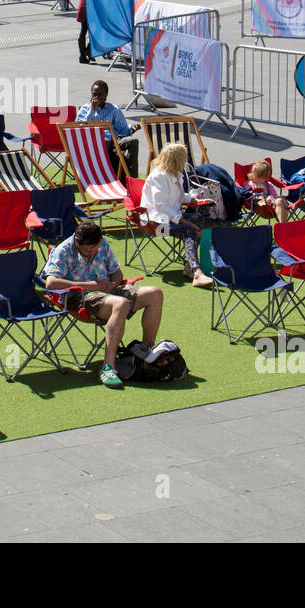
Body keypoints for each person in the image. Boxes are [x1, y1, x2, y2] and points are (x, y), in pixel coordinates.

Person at [42, 222, 165, 388]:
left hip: (108, 292)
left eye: (95, 248)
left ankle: (146, 351)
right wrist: (91, 285)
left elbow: (116, 272)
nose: (92, 253)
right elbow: (51, 283)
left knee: (155, 293)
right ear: (77, 241)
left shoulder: (103, 243)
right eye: (87, 250)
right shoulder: (62, 251)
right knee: (120, 304)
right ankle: (108, 366)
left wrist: (113, 284)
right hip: (80, 297)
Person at [141, 144, 214, 287]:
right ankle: (196, 271)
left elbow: (178, 197)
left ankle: (190, 266)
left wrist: (192, 199)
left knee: (198, 218)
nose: (185, 161)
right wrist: (184, 221)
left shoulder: (175, 174)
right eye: (183, 158)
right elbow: (161, 207)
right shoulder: (159, 177)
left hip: (168, 219)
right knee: (189, 229)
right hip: (156, 224)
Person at [77, 79, 141, 179]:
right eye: (94, 94)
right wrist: (92, 110)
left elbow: (123, 129)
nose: (97, 97)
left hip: (114, 142)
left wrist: (132, 128)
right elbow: (79, 127)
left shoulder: (113, 109)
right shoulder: (85, 108)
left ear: (106, 95)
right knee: (105, 141)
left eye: (100, 94)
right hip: (92, 143)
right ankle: (103, 176)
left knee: (133, 141)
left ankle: (132, 179)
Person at [77, 0, 92, 64]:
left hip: (83, 3)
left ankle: (83, 54)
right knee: (94, 31)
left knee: (83, 30)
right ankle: (88, 51)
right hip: (91, 5)